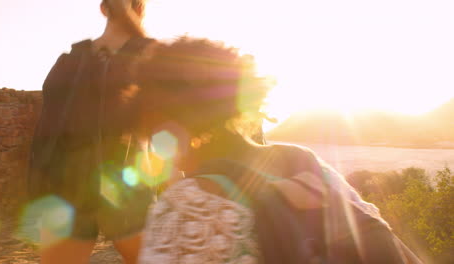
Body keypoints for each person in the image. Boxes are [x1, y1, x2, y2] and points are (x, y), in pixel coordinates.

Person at [131, 38, 423, 263]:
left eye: (147, 120)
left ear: (170, 118)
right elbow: (378, 233)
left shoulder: (185, 206)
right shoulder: (304, 161)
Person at [27, 0, 155, 263]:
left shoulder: (66, 64)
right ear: (141, 10)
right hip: (126, 182)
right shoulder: (151, 59)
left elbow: (45, 137)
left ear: (103, 9)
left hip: (66, 185)